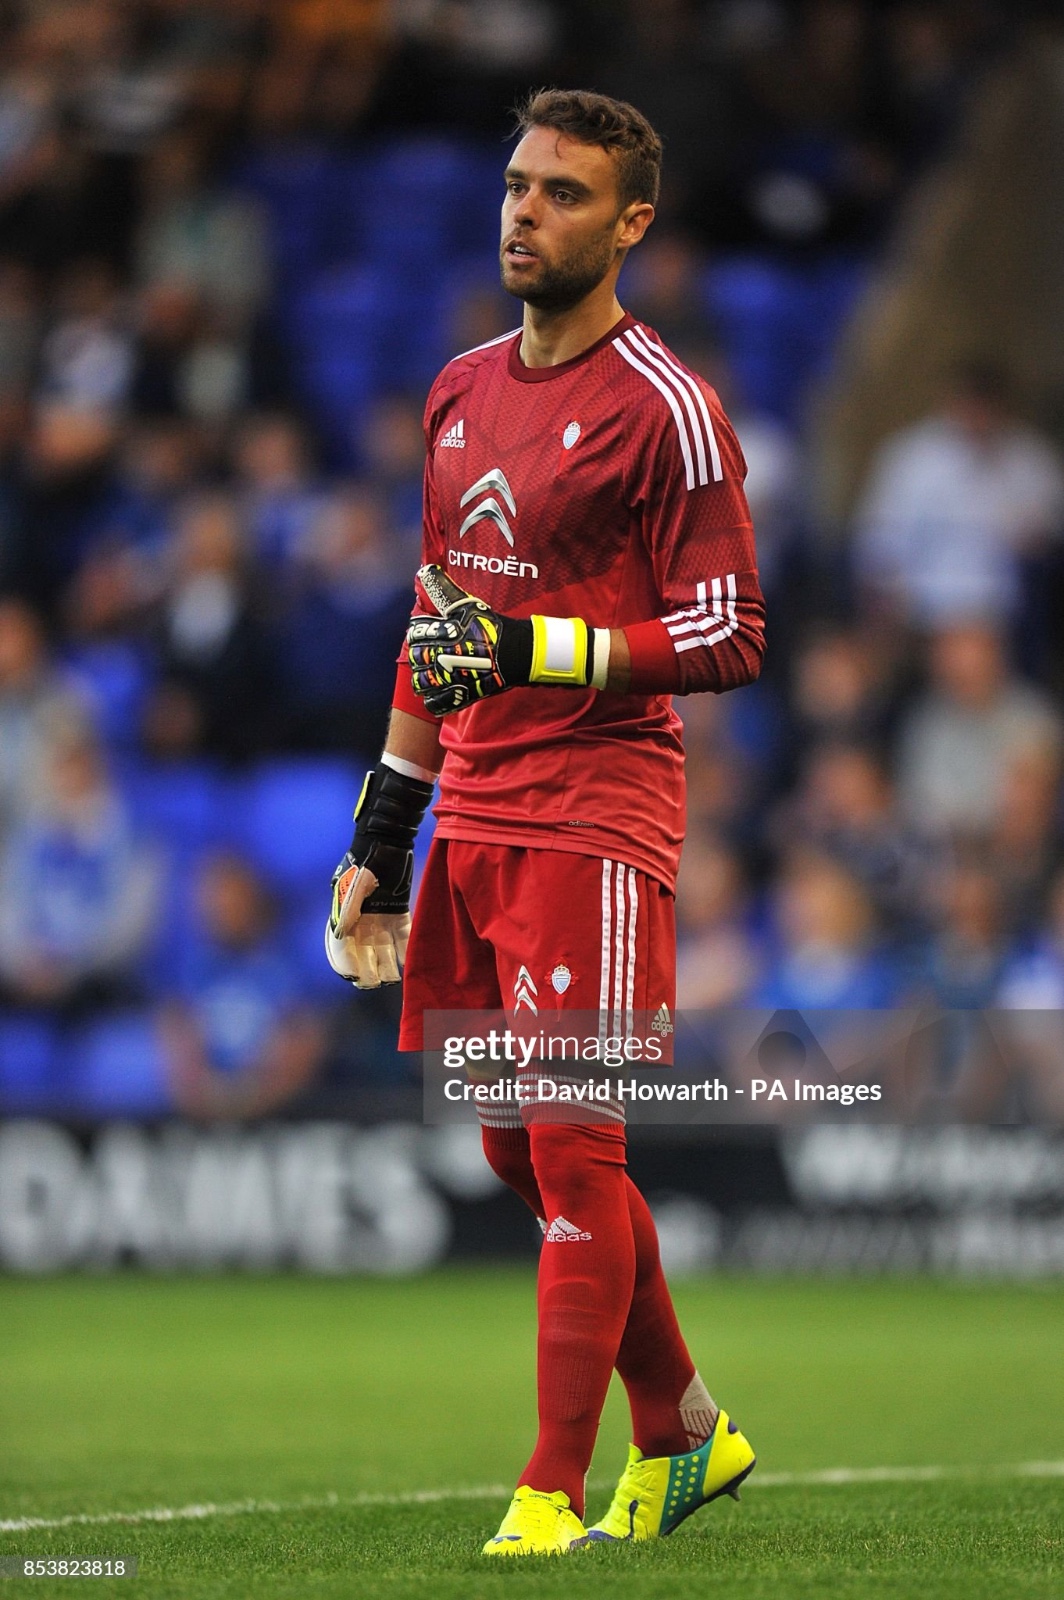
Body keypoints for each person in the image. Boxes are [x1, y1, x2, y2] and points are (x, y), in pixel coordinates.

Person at [325, 89, 765, 1557]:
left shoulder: (672, 408)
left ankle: (546, 1494)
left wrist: (544, 653)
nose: (526, 212)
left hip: (599, 810)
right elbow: (436, 624)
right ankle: (687, 1429)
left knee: (578, 1149)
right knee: (517, 1152)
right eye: (518, 186)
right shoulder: (458, 391)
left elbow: (729, 628)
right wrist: (381, 838)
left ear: (632, 222)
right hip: (479, 812)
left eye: (565, 194)